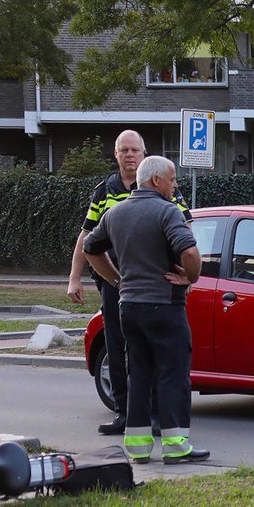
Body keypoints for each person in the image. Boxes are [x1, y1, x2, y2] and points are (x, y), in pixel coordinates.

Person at [82, 156, 209, 465]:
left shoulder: (115, 213)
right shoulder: (167, 212)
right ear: (156, 181)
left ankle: (138, 448)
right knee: (172, 374)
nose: (175, 185)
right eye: (172, 180)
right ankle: (176, 445)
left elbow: (90, 248)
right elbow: (190, 251)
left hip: (129, 309)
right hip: (165, 307)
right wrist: (190, 277)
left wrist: (116, 280)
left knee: (137, 373)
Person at [66, 130, 190, 435]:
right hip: (117, 280)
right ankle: (124, 413)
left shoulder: (164, 186)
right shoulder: (104, 191)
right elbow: (87, 237)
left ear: (145, 154)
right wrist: (75, 278)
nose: (130, 155)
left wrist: (187, 273)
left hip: (156, 278)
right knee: (118, 345)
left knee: (153, 351)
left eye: (135, 150)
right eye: (125, 150)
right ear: (116, 154)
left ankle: (158, 414)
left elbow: (186, 227)